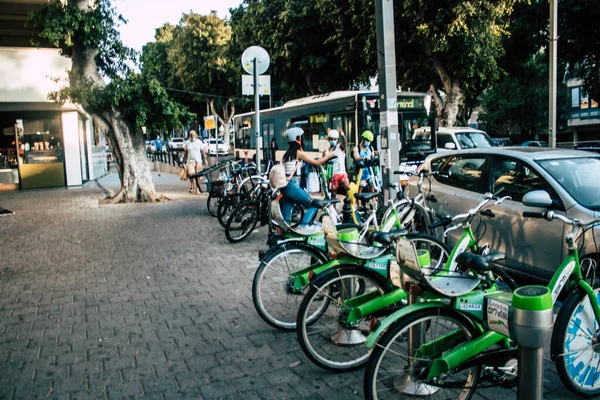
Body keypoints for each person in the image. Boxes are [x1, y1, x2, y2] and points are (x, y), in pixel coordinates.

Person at [280, 127, 335, 226]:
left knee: (286, 217)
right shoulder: (298, 153)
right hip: (293, 186)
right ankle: (303, 227)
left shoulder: (287, 154)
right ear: (298, 138)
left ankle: (283, 235)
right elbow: (317, 163)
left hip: (285, 186)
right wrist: (329, 156)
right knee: (314, 204)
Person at [322, 129, 349, 196]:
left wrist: (343, 136)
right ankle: (333, 206)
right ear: (329, 139)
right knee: (333, 193)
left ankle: (350, 204)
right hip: (332, 176)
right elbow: (323, 164)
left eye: (335, 139)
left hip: (341, 174)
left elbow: (344, 145)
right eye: (331, 139)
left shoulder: (339, 148)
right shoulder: (325, 152)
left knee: (348, 189)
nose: (333, 141)